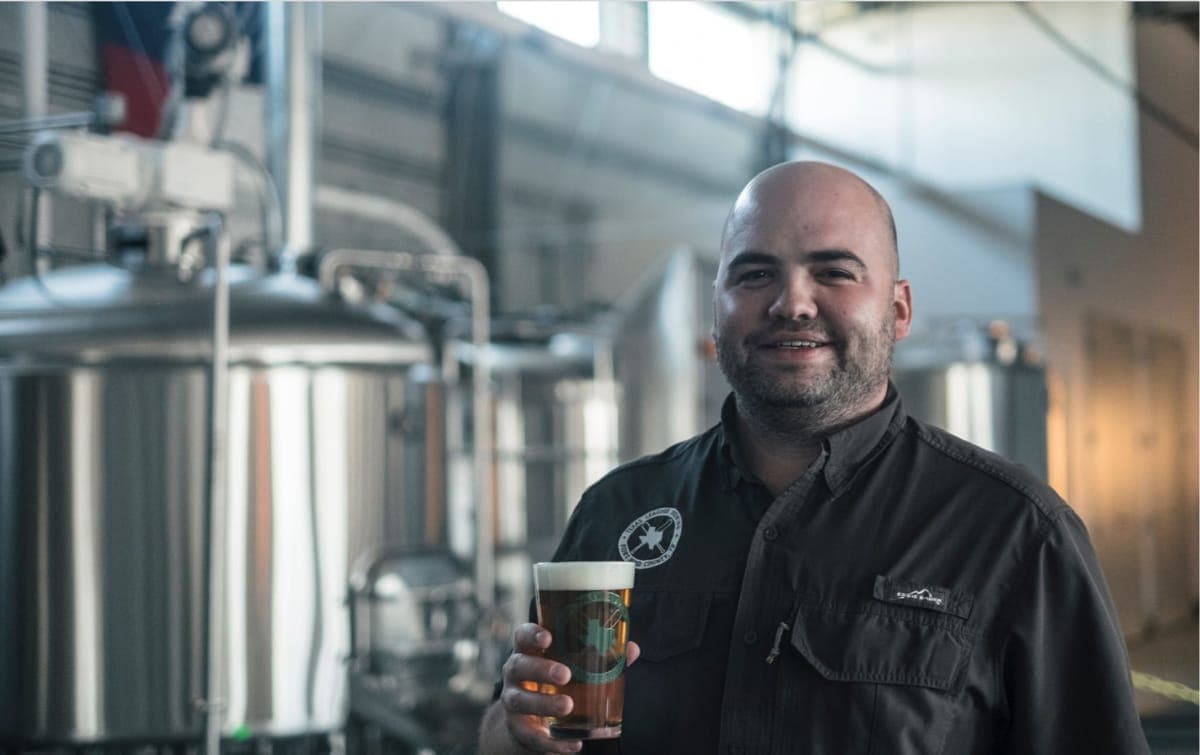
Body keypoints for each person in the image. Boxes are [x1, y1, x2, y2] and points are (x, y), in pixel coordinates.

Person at [478, 161, 1149, 754]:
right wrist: (513, 731)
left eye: (833, 271)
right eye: (755, 272)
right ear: (716, 309)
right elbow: (510, 729)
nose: (791, 303)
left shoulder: (1018, 534)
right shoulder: (618, 510)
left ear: (899, 307)